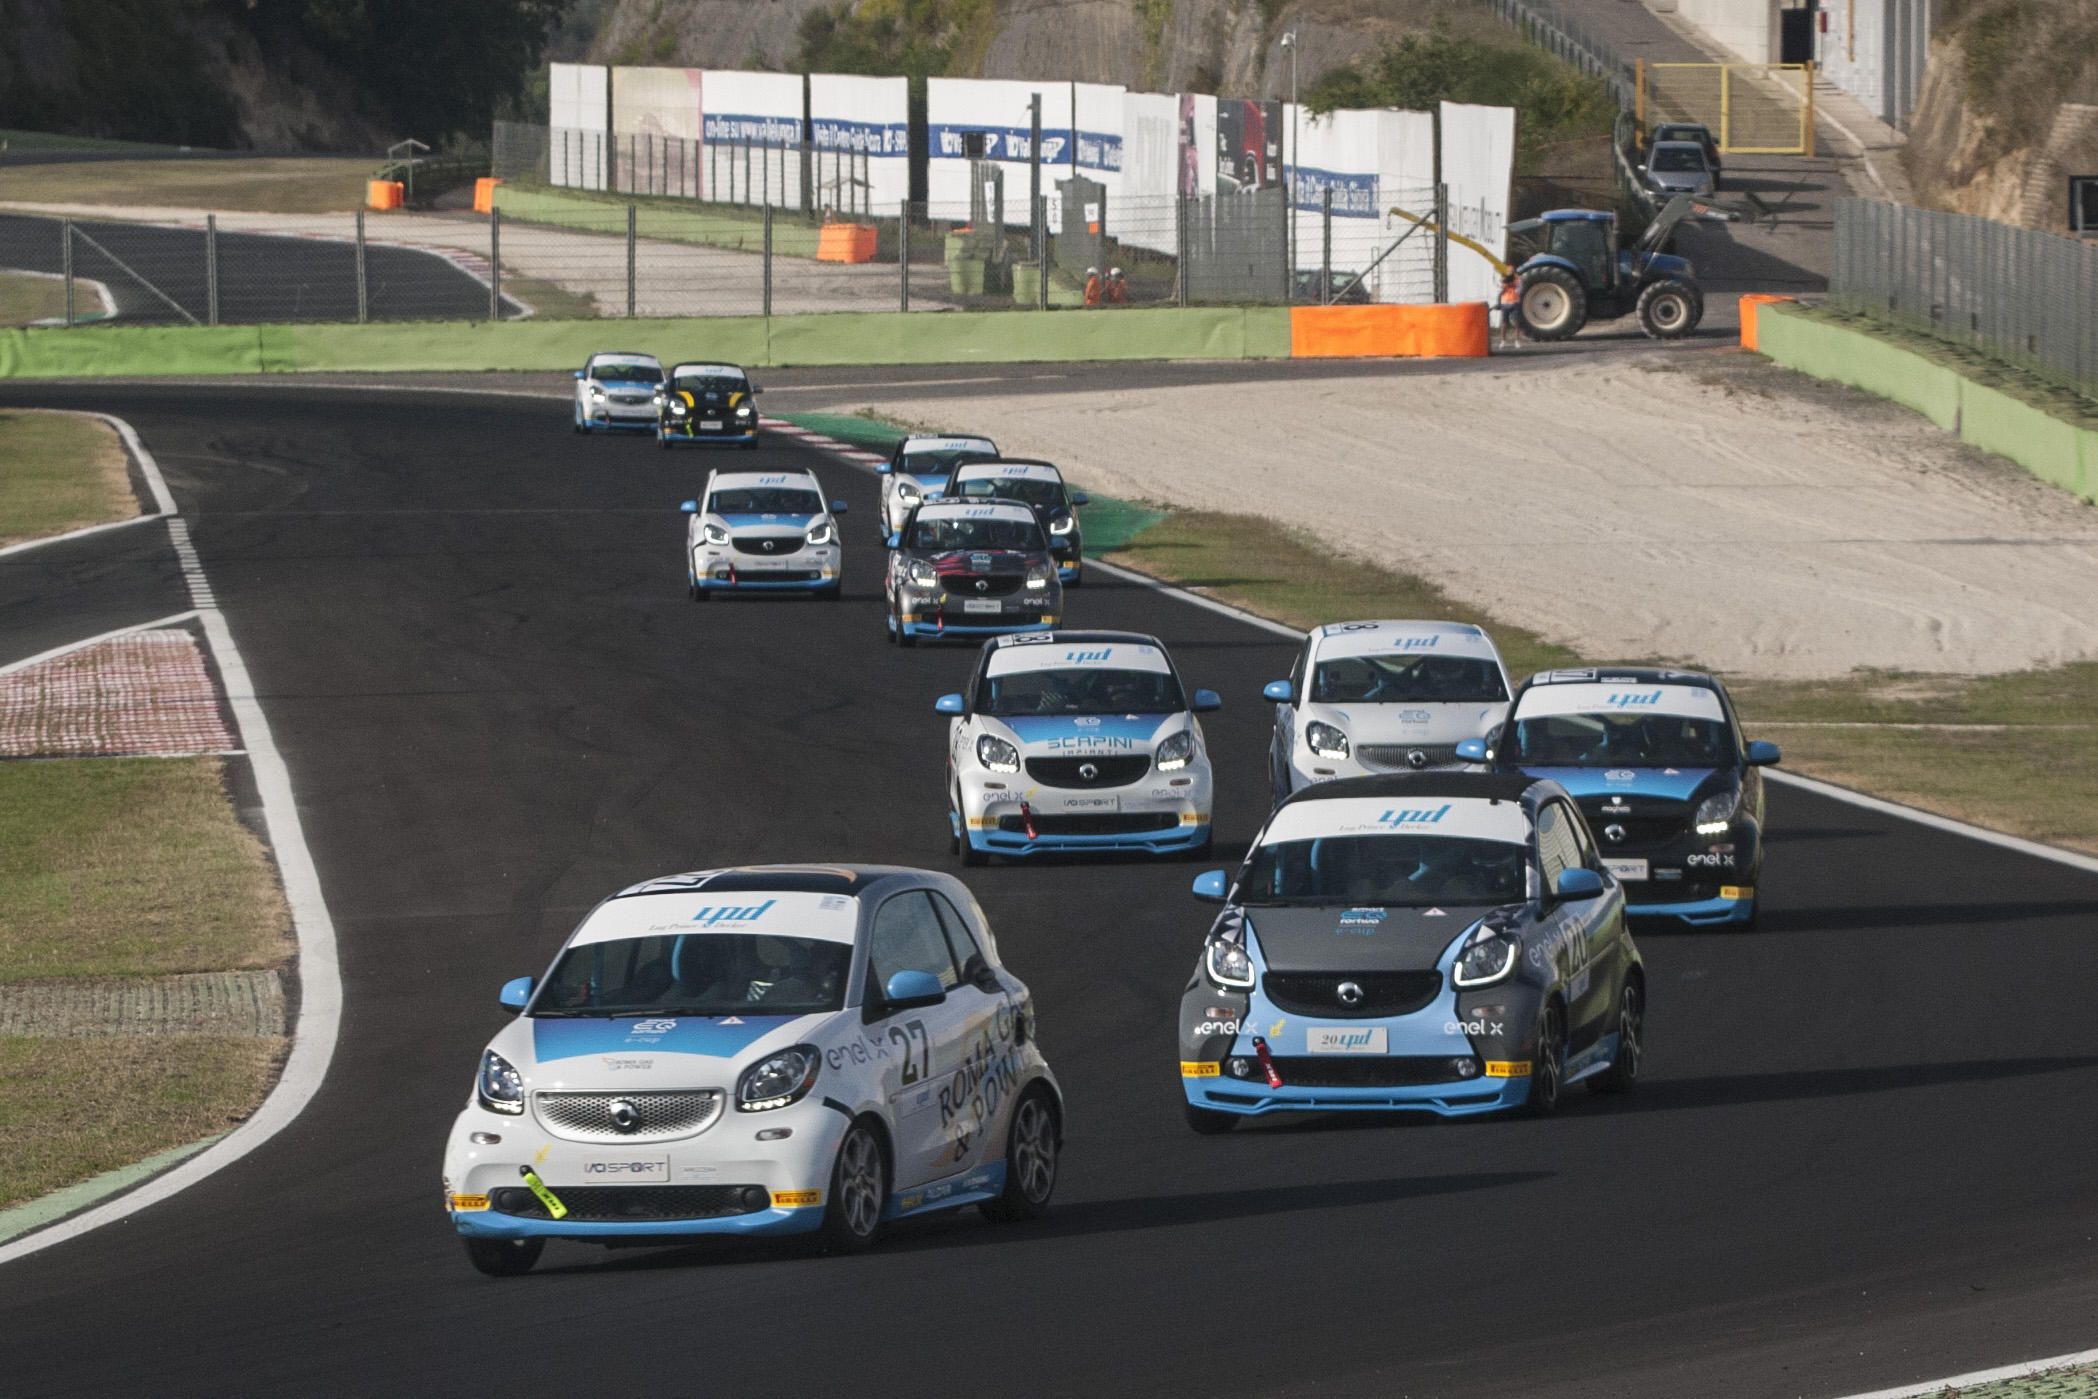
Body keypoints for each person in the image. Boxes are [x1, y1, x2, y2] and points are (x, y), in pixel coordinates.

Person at [1496, 272, 1522, 350]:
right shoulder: (1503, 282)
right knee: (1504, 323)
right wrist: (1504, 287)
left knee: (1516, 323)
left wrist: (1513, 285)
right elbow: (1499, 293)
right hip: (1505, 304)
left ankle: (1517, 341)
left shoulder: (1517, 281)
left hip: (1515, 303)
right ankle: (1503, 341)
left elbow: (1519, 290)